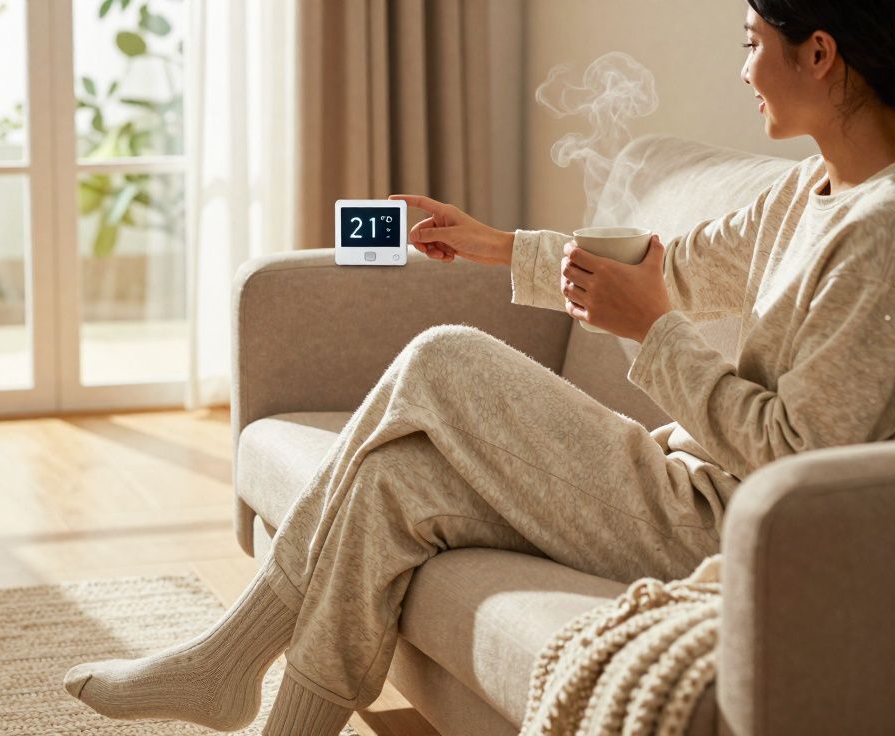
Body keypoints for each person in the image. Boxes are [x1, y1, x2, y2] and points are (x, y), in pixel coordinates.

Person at [63, 1, 895, 733]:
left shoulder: (879, 233)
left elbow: (798, 458)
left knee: (445, 358)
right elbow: (669, 267)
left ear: (819, 53)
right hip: (690, 478)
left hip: (737, 526)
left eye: (752, 44)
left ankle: (224, 659)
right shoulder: (807, 191)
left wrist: (654, 333)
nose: (744, 70)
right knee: (396, 478)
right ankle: (271, 714)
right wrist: (489, 244)